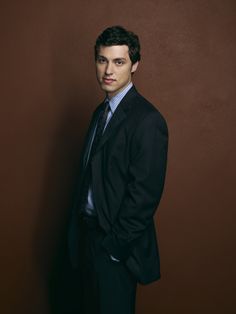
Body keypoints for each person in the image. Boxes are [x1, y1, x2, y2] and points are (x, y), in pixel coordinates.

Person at [67, 25, 168, 314]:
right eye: (102, 60)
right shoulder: (99, 113)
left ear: (135, 65)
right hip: (86, 242)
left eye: (119, 61)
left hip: (113, 250)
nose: (108, 70)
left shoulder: (148, 121)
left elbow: (144, 196)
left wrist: (113, 249)